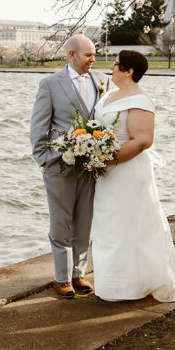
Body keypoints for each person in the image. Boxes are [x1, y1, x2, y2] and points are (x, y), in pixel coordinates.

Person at [91, 49, 175, 302]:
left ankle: (130, 286)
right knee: (108, 226)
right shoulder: (110, 94)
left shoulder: (140, 100)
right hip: (105, 173)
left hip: (127, 171)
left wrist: (105, 159)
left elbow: (142, 140)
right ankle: (111, 284)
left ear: (129, 71)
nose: (111, 68)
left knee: (128, 225)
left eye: (117, 65)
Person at [30, 34, 106, 298]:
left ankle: (78, 273)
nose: (93, 60)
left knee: (84, 221)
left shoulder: (101, 81)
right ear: (72, 55)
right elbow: (39, 125)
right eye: (88, 55)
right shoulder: (50, 84)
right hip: (59, 164)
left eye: (94, 54)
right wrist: (43, 158)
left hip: (90, 166)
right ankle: (61, 278)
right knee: (61, 222)